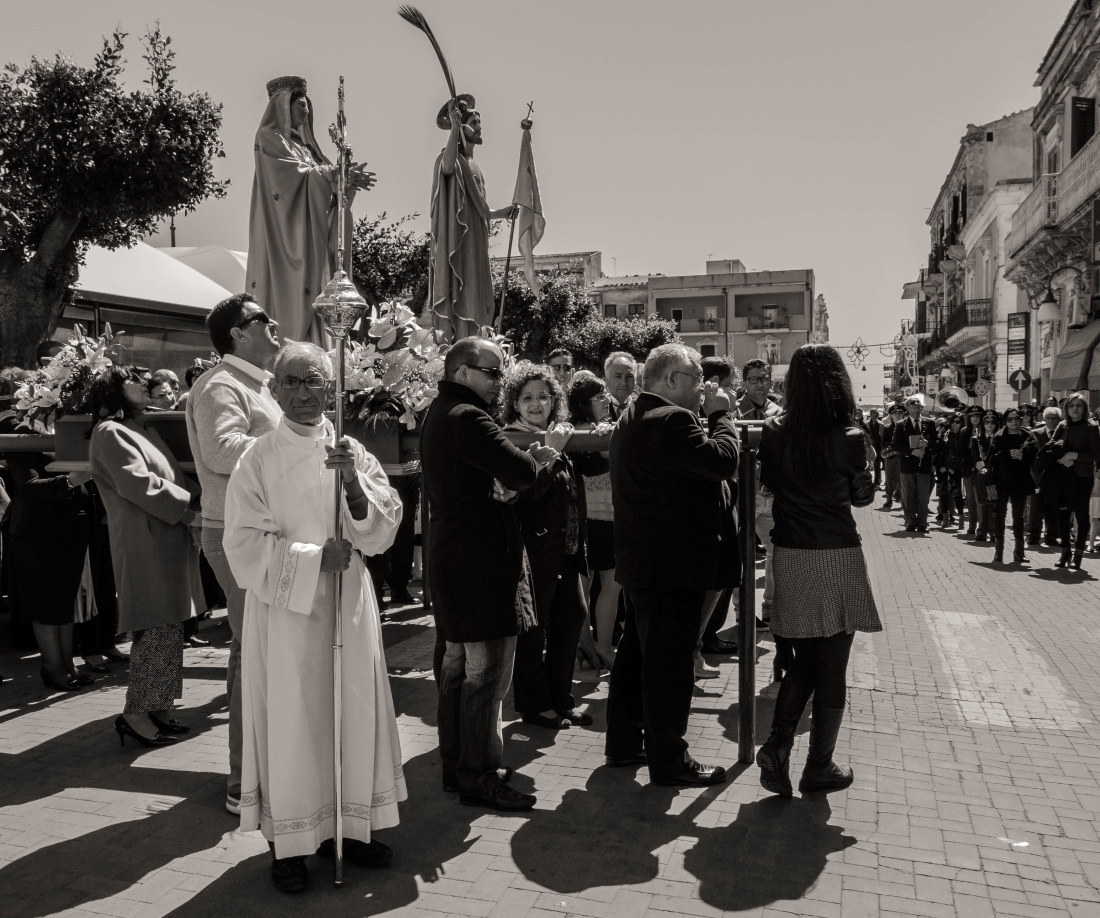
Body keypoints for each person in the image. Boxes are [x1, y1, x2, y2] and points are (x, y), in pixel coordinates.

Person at [224, 342, 405, 893]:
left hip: (347, 605)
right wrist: (310, 560)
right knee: (294, 722)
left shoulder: (352, 451)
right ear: (275, 389)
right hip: (287, 615)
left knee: (352, 713)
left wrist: (352, 485)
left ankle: (347, 827)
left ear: (331, 389)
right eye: (292, 382)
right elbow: (242, 543)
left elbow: (383, 529)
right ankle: (290, 843)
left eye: (314, 382)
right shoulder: (257, 458)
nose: (303, 393)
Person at [420, 336, 558, 811]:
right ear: (463, 372)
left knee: (457, 670)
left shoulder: (440, 411)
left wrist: (505, 481)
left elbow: (488, 478)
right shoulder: (468, 416)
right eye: (494, 372)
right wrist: (543, 458)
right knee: (484, 677)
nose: (501, 381)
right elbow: (522, 473)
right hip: (481, 563)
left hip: (456, 557)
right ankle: (478, 776)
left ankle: (458, 767)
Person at [605, 342, 739, 786]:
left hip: (647, 562)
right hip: (671, 566)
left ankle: (624, 742)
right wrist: (721, 416)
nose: (703, 388)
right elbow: (722, 461)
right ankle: (669, 760)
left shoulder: (635, 413)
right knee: (668, 665)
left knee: (636, 657)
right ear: (670, 379)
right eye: (697, 380)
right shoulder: (671, 418)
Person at [755, 343, 881, 798]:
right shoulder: (848, 435)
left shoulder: (773, 429)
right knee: (832, 668)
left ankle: (778, 743)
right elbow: (862, 499)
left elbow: (769, 483)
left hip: (790, 551)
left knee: (806, 659)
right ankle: (818, 765)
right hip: (835, 552)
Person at [184, 292, 282, 816]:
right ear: (237, 334)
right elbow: (222, 451)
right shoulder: (220, 384)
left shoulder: (257, 384)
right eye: (261, 318)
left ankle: (266, 768)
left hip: (258, 529)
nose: (273, 322)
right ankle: (243, 781)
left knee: (263, 650)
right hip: (234, 533)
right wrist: (294, 441)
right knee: (251, 652)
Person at [88, 367, 202, 745]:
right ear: (113, 391)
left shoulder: (139, 427)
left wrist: (201, 501)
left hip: (164, 537)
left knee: (168, 628)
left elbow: (173, 476)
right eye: (132, 379)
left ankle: (160, 706)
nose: (143, 382)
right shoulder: (110, 432)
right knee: (155, 627)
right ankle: (136, 713)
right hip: (145, 540)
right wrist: (189, 511)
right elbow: (140, 484)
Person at [502, 362, 606, 729]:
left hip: (568, 549)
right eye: (527, 397)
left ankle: (561, 699)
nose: (536, 404)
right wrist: (548, 453)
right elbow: (527, 494)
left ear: (554, 401)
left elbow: (593, 469)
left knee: (572, 617)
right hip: (534, 551)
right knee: (534, 630)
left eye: (543, 396)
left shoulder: (560, 434)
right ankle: (535, 705)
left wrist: (599, 431)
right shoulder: (511, 438)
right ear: (515, 403)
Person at [246, 76, 375, 344]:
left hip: (312, 234)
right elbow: (287, 181)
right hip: (286, 233)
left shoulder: (307, 149)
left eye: (307, 105)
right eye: (300, 104)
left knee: (321, 285)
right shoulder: (269, 138)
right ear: (283, 106)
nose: (306, 111)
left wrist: (343, 184)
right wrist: (331, 174)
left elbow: (322, 184)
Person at [428, 95, 515, 340]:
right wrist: (454, 129)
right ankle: (459, 340)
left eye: (479, 122)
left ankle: (477, 339)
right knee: (462, 288)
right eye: (474, 123)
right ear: (462, 127)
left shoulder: (474, 165)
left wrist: (502, 213)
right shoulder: (450, 158)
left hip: (477, 240)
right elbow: (447, 169)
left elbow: (479, 209)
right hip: (457, 240)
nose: (479, 127)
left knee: (478, 291)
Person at [567, 371, 618, 671]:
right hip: (590, 518)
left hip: (605, 516)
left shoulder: (600, 429)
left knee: (597, 586)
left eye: (605, 395)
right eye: (600, 397)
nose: (606, 400)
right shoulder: (581, 432)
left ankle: (591, 647)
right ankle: (596, 647)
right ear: (585, 402)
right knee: (601, 586)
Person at [1037, 392, 1100, 570]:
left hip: (1082, 477)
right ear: (1066, 409)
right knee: (1063, 514)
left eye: (1078, 406)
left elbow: (1097, 456)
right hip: (1062, 476)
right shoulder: (1063, 425)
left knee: (1081, 514)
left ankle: (1078, 554)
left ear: (1084, 408)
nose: (1075, 409)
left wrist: (1075, 455)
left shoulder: (1091, 426)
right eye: (1071, 406)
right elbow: (1051, 447)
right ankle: (1065, 552)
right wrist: (1060, 459)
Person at [986, 407, 1038, 564]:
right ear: (1005, 421)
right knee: (1000, 515)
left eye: (1016, 418)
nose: (1014, 422)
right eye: (1010, 419)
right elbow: (990, 460)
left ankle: (1019, 552)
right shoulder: (999, 436)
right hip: (1002, 481)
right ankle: (998, 552)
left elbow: (1035, 458)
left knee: (1018, 517)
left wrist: (1024, 456)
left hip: (1020, 482)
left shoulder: (1028, 436)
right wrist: (1007, 454)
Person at [892, 393, 937, 532]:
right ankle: (910, 521)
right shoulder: (901, 424)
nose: (916, 404)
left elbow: (937, 443)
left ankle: (922, 522)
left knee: (923, 496)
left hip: (924, 465)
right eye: (913, 403)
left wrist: (928, 444)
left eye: (918, 402)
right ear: (907, 408)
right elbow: (895, 445)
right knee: (908, 496)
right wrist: (911, 452)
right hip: (907, 465)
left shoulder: (930, 423)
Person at [1029, 406, 1063, 546]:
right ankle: (1034, 536)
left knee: (1053, 507)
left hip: (1056, 476)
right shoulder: (1035, 434)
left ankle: (1051, 536)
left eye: (1054, 418)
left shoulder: (1064, 434)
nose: (1050, 421)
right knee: (1035, 508)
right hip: (1038, 476)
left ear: (1059, 419)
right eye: (1048, 418)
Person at [970, 410, 1001, 543]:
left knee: (994, 504)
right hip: (980, 476)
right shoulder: (976, 439)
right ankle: (981, 531)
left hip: (995, 476)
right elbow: (974, 458)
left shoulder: (999, 438)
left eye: (992, 422)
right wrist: (981, 467)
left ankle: (993, 532)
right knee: (982, 504)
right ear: (983, 424)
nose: (989, 425)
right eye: (987, 422)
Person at [879, 404, 904, 510]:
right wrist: (895, 446)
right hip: (890, 457)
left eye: (900, 413)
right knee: (889, 479)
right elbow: (883, 443)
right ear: (891, 416)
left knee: (902, 479)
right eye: (895, 414)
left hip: (903, 457)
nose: (898, 415)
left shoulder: (906, 427)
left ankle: (902, 500)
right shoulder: (887, 428)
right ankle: (889, 500)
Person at [603, 351, 638, 416]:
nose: (624, 383)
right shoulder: (599, 408)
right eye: (618, 376)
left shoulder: (641, 409)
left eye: (629, 376)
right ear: (607, 381)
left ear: (635, 380)